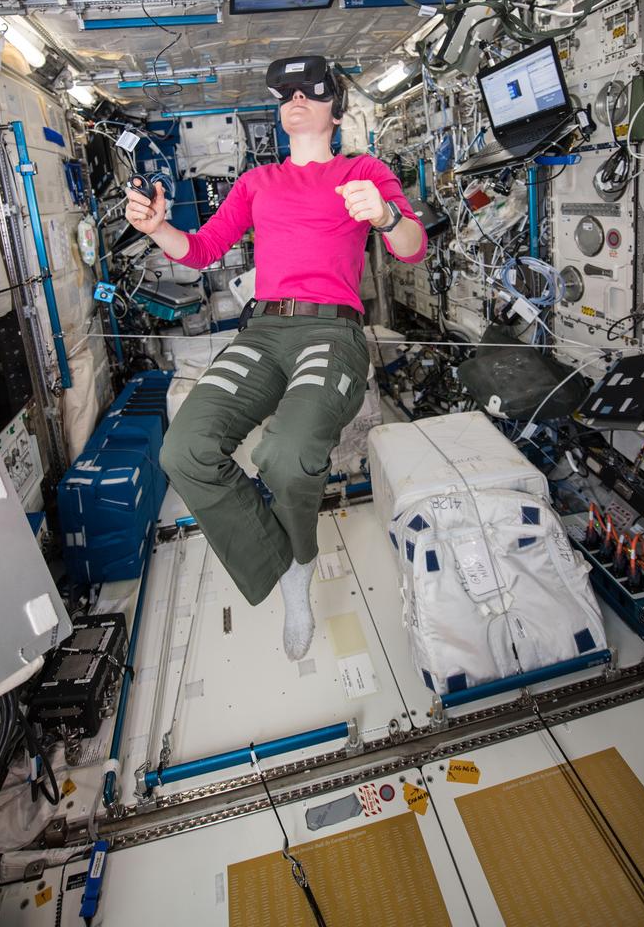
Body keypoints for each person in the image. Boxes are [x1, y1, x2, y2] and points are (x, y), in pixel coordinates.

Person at [124, 56, 427, 660]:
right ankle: (279, 560)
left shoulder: (362, 170)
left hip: (330, 333)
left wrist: (388, 215)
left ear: (334, 109)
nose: (295, 98)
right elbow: (203, 250)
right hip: (261, 332)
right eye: (283, 91)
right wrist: (159, 229)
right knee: (182, 450)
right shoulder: (257, 183)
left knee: (286, 455)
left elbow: (412, 248)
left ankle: (301, 564)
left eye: (309, 91)